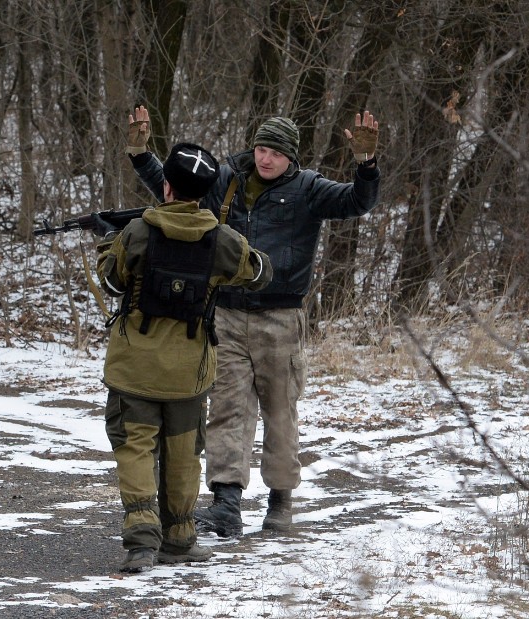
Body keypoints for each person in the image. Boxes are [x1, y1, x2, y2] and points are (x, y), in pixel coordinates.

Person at [125, 106, 381, 536]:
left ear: (291, 158)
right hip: (224, 313)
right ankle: (227, 504)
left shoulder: (308, 188)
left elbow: (356, 202)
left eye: (276, 153)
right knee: (227, 409)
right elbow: (175, 192)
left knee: (280, 411)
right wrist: (140, 153)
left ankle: (280, 502)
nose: (266, 159)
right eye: (262, 148)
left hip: (280, 318)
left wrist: (366, 165)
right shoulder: (226, 180)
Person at [95, 142, 273, 572]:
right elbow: (260, 273)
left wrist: (107, 240)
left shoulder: (137, 232)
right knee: (183, 454)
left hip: (134, 367)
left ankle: (140, 542)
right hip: (188, 372)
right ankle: (179, 539)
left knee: (135, 449)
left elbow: (112, 282)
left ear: (167, 187)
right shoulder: (222, 242)